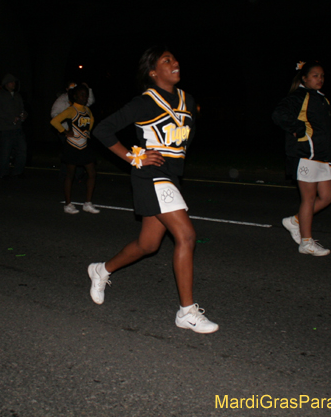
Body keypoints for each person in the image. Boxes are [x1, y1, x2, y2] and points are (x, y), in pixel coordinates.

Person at [88, 46, 218, 334]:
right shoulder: (145, 102)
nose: (174, 63)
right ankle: (186, 311)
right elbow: (102, 130)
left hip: (170, 178)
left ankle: (102, 269)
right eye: (166, 60)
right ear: (152, 72)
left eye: (174, 58)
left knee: (148, 246)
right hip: (150, 177)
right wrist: (135, 156)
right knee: (186, 236)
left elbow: (187, 137)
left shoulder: (188, 100)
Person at [272, 61, 331, 257]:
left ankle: (295, 221)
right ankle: (306, 242)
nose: (320, 79)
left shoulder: (322, 99)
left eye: (322, 76)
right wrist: (298, 129)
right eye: (315, 75)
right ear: (305, 78)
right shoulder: (300, 96)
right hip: (305, 155)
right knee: (308, 199)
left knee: (327, 197)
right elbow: (279, 114)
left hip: (322, 156)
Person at [50, 84, 100, 214]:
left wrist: (87, 133)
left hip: (84, 145)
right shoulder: (71, 110)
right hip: (72, 146)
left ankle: (88, 203)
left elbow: (92, 121)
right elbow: (55, 121)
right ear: (75, 96)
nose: (85, 98)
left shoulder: (87, 110)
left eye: (86, 95)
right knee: (70, 175)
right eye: (82, 95)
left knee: (92, 173)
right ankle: (68, 204)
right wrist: (64, 131)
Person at [0, 73, 27, 179]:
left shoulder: (17, 95)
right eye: (11, 82)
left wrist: (24, 115)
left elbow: (22, 108)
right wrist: (11, 118)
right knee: (5, 152)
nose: (14, 84)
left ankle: (18, 171)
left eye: (14, 82)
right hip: (5, 128)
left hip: (17, 128)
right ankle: (4, 172)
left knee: (22, 149)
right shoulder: (0, 95)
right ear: (6, 84)